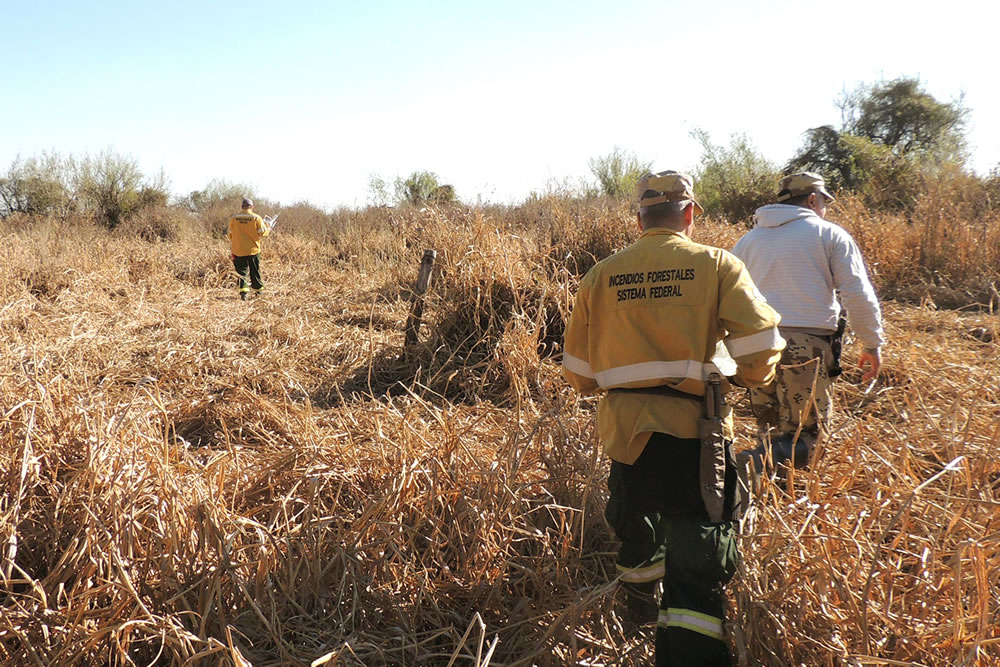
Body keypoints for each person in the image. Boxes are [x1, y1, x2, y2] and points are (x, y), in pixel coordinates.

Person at [562, 170, 785, 666]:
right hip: (696, 436)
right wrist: (749, 377)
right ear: (688, 214)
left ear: (639, 219)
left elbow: (578, 371)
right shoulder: (717, 265)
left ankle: (637, 617)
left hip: (625, 434)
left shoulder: (601, 275)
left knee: (637, 530)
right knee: (698, 553)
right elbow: (761, 345)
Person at [731, 172, 885, 470]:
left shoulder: (748, 241)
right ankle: (750, 465)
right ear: (813, 200)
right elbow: (856, 293)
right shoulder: (829, 235)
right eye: (824, 202)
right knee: (808, 436)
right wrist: (871, 343)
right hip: (805, 347)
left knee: (770, 430)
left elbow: (731, 296)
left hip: (757, 345)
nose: (825, 209)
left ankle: (759, 483)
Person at [228, 198, 271, 300]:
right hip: (253, 250)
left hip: (238, 249)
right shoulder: (256, 218)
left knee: (241, 273)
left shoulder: (234, 218)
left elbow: (230, 234)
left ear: (242, 206)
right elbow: (262, 233)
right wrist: (269, 228)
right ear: (251, 207)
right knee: (255, 271)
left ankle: (244, 293)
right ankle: (258, 292)